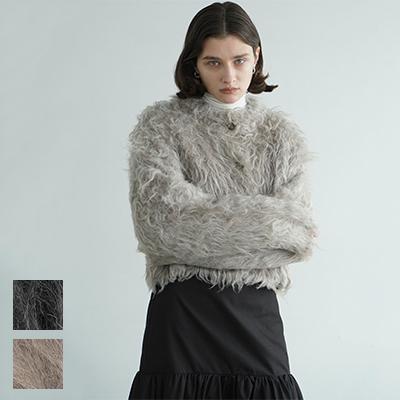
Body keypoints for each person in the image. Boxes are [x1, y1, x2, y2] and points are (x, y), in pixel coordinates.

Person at [127, 2, 319, 399]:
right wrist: (263, 225)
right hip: (182, 318)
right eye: (213, 62)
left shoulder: (281, 136)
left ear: (256, 57)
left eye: (239, 60)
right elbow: (160, 226)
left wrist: (200, 228)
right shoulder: (161, 126)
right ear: (194, 64)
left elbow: (296, 232)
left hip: (256, 314)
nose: (229, 76)